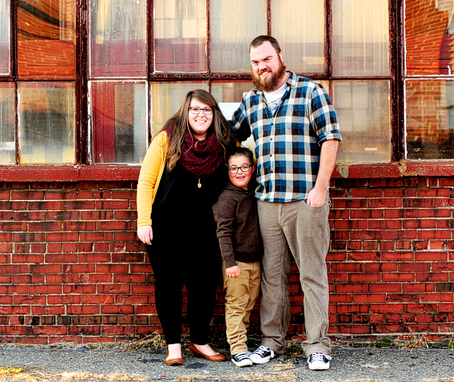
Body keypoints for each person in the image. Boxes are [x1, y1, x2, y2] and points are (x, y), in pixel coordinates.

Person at [231, 35, 342, 371]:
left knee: (311, 274)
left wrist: (320, 189)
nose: (261, 66)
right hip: (266, 203)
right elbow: (227, 136)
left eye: (266, 59)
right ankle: (271, 342)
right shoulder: (250, 101)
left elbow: (331, 139)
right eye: (255, 62)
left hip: (305, 201)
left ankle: (317, 346)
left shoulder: (310, 92)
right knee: (272, 277)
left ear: (280, 56)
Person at [136, 90, 233, 366]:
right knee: (169, 286)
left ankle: (200, 341)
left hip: (207, 230)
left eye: (207, 110)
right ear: (186, 112)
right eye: (195, 109)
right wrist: (144, 221)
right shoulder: (168, 139)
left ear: (214, 114)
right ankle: (174, 346)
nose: (201, 115)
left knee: (204, 287)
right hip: (166, 229)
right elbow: (146, 182)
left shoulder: (224, 143)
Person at [212, 147, 262, 367]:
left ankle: (241, 343)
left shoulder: (254, 193)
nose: (240, 172)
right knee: (236, 305)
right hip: (237, 264)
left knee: (249, 304)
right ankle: (238, 349)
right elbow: (222, 232)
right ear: (228, 170)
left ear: (252, 168)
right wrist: (230, 263)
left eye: (244, 167)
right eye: (234, 168)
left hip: (255, 262)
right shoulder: (227, 197)